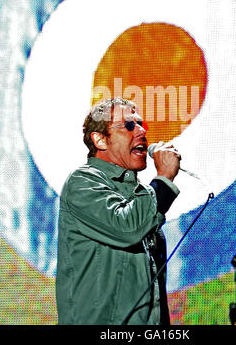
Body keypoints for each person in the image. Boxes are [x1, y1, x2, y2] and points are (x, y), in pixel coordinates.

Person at [55, 97, 181, 325]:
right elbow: (128, 227)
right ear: (100, 140)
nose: (142, 131)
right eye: (130, 125)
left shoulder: (141, 195)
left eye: (142, 124)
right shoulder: (82, 183)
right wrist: (163, 179)